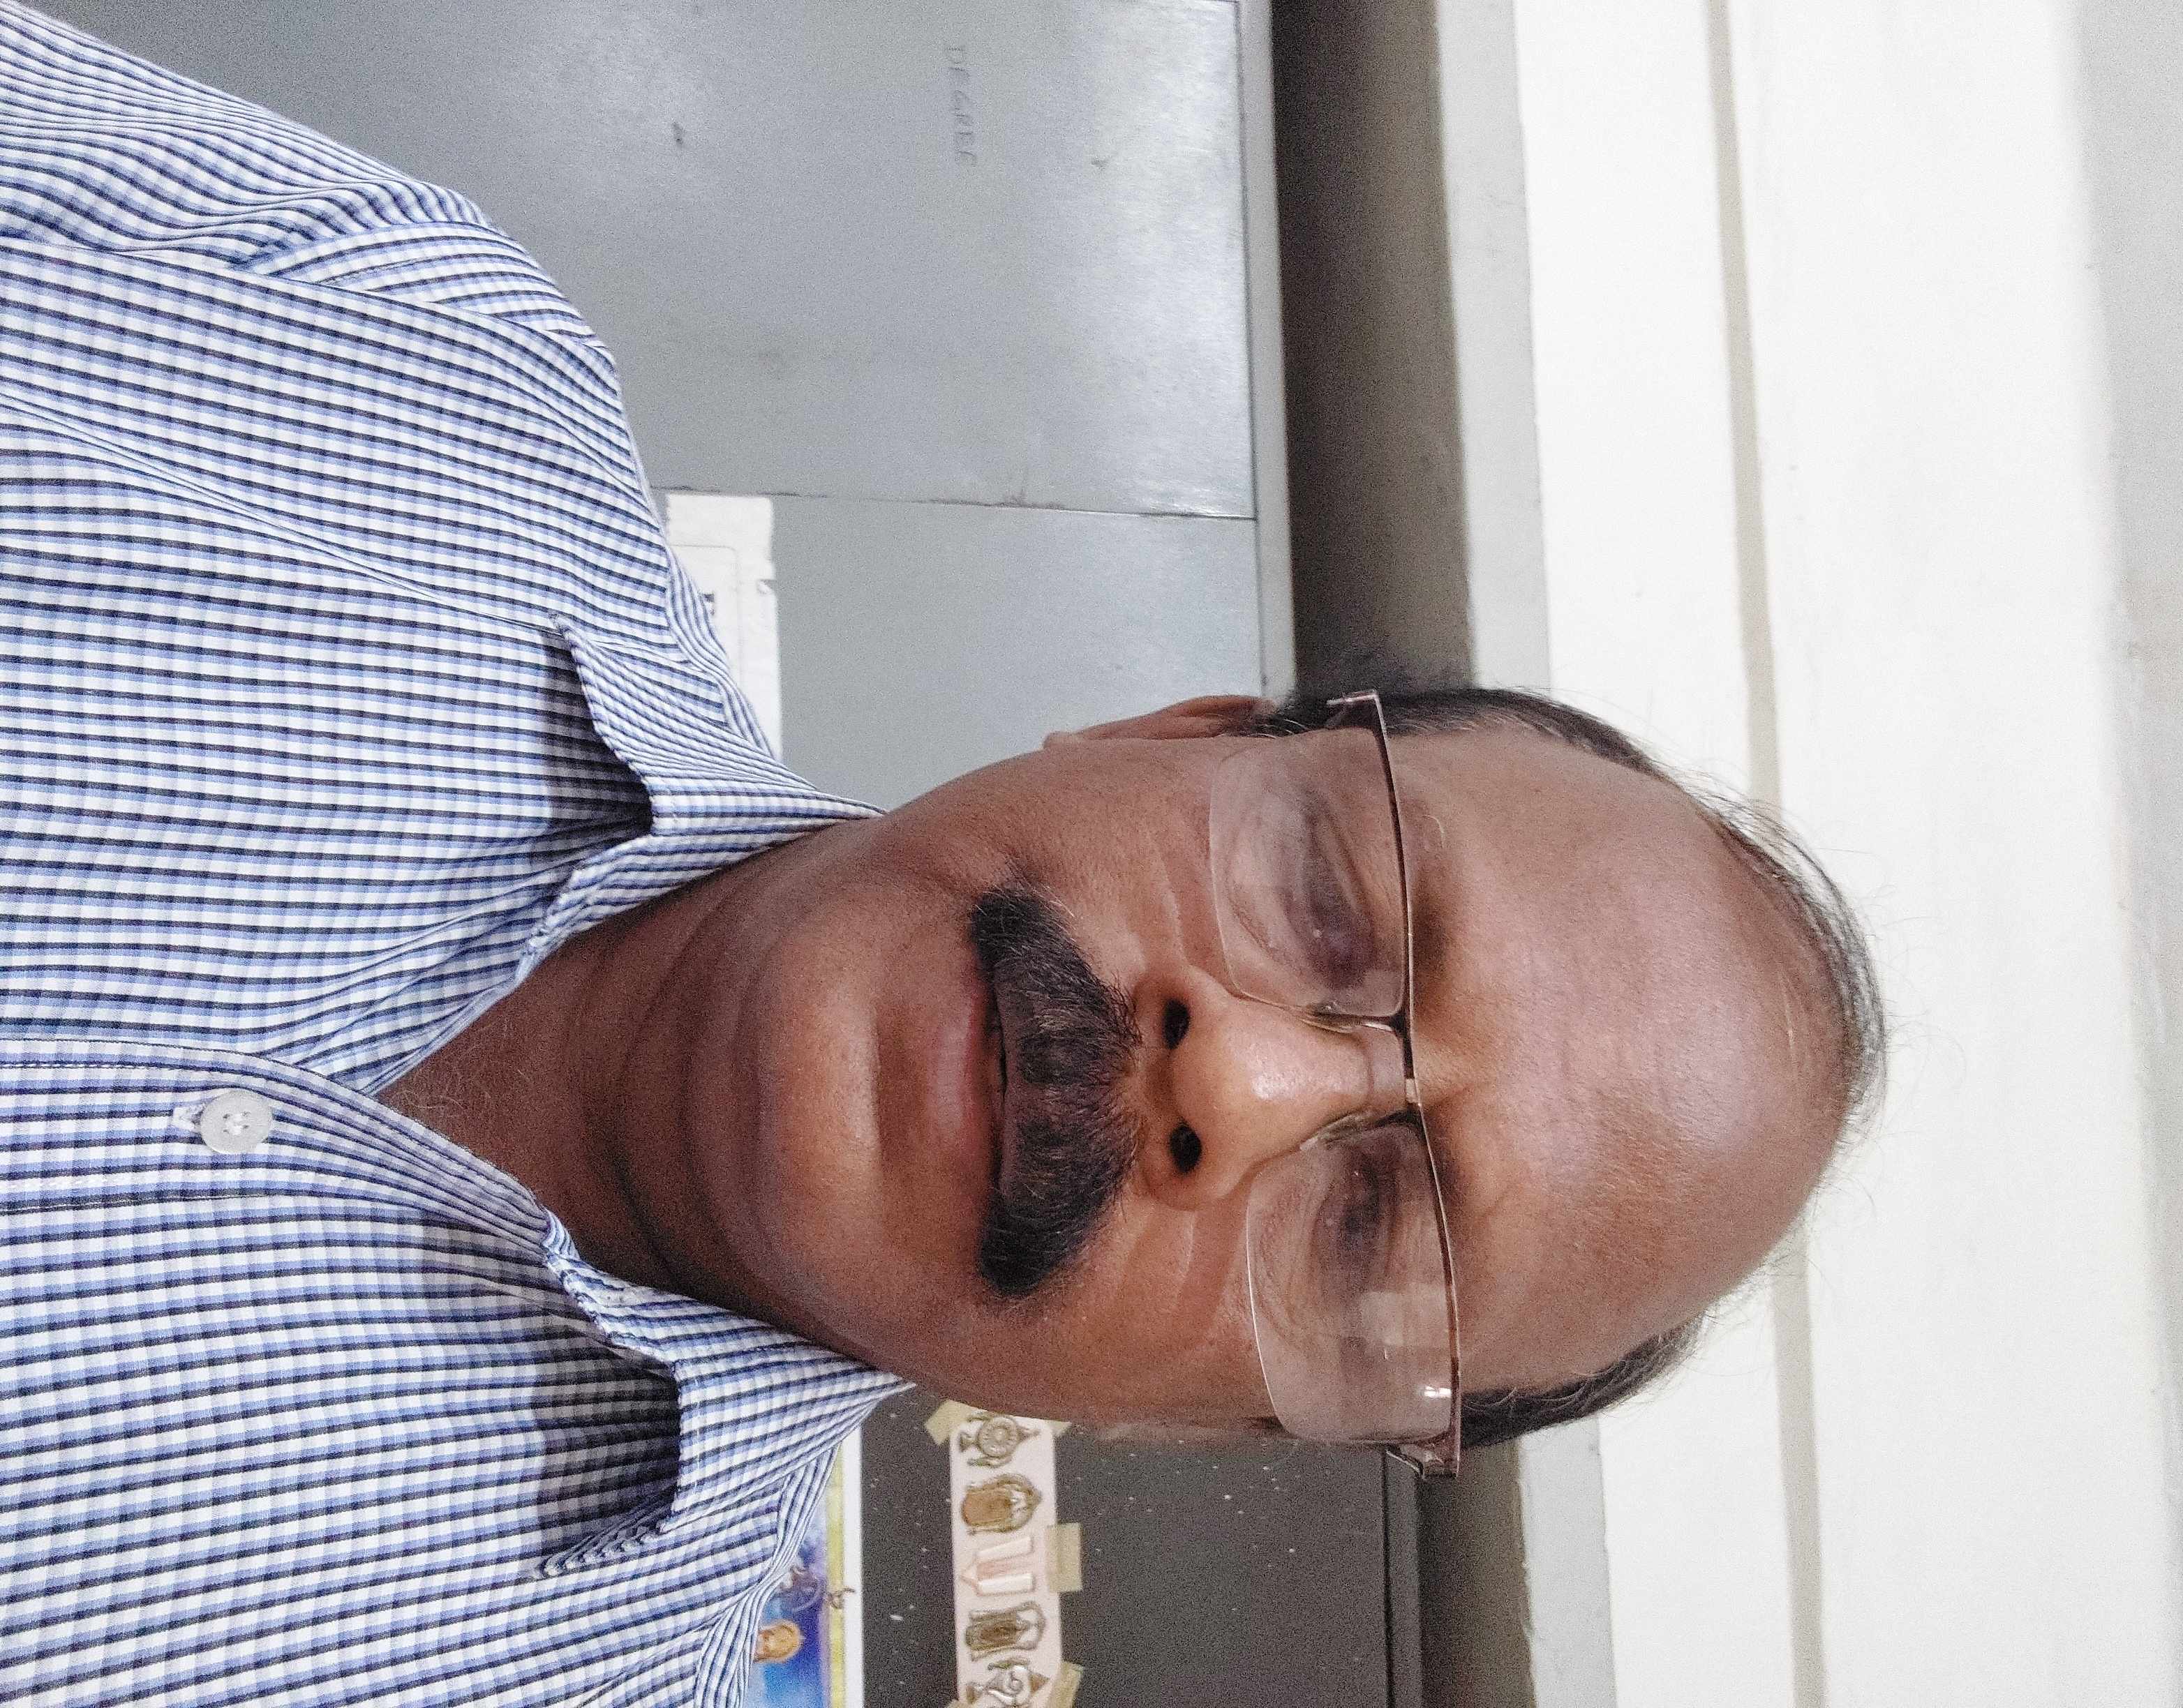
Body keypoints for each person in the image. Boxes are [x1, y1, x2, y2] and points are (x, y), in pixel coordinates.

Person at [0, 7, 1884, 1705]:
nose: (1235, 1081)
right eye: (1330, 904)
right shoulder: (403, 355)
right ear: (1170, 731)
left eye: (1365, 1229)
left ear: (1209, 1427)